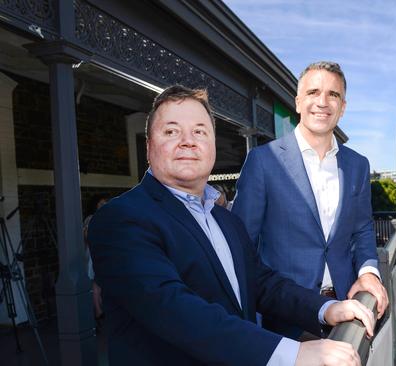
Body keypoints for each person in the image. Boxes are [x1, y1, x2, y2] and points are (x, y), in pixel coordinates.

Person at [88, 85, 375, 366]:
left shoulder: (224, 219)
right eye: (171, 131)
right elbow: (173, 310)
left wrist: (325, 309)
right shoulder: (122, 219)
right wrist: (293, 354)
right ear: (149, 147)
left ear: (212, 145)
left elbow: (262, 284)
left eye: (199, 131)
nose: (188, 141)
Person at [232, 61, 388, 339]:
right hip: (285, 318)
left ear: (343, 107)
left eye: (333, 95)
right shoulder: (263, 161)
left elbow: (362, 229)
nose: (323, 102)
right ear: (298, 102)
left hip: (347, 311)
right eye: (314, 92)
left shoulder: (358, 165)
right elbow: (242, 246)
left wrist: (369, 273)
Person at [82, 194, 109, 322]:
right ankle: (98, 311)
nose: (104, 205)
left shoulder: (101, 218)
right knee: (95, 284)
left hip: (99, 253)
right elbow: (88, 236)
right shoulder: (91, 219)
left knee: (98, 284)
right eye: (101, 203)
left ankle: (100, 309)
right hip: (93, 254)